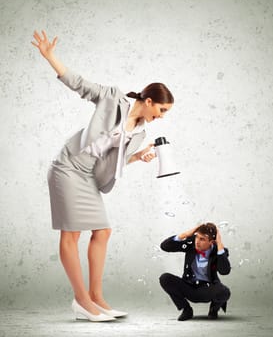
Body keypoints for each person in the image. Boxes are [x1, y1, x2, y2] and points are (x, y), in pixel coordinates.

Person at [31, 30, 174, 322]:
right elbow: (80, 84)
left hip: (88, 178)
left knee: (103, 231)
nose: (162, 116)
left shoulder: (141, 133)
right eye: (161, 110)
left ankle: (96, 297)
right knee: (71, 234)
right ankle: (82, 300)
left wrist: (137, 155)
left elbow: (114, 161)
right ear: (148, 101)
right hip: (68, 167)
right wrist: (50, 57)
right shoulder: (112, 98)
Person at [159, 222, 231, 320]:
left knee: (224, 292)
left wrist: (219, 244)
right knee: (165, 278)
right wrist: (185, 234)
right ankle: (186, 309)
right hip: (189, 286)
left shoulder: (219, 250)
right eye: (197, 237)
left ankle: (214, 309)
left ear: (211, 242)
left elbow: (224, 271)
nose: (197, 241)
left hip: (208, 289)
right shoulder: (191, 244)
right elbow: (165, 246)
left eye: (202, 239)